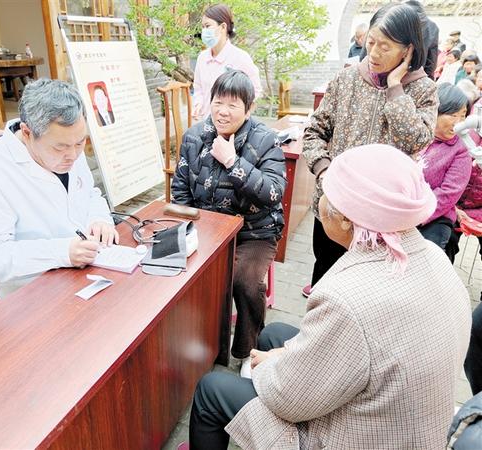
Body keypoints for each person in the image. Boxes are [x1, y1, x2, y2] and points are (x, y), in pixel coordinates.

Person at [187, 144, 471, 450]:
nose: (319, 202)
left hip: (359, 438)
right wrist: (282, 357)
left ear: (347, 218)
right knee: (275, 334)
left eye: (325, 193)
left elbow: (288, 400)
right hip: (400, 420)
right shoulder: (433, 255)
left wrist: (266, 366)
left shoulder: (346, 298)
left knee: (211, 390)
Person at [301, 3, 438, 297]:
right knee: (324, 279)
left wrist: (395, 89)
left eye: (385, 47)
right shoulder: (347, 79)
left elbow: (416, 141)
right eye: (371, 42)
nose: (373, 53)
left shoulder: (423, 90)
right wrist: (325, 172)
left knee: (366, 292)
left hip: (381, 222)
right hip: (334, 209)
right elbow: (313, 132)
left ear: (408, 50)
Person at [0, 79, 117, 299]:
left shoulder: (68, 145)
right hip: (33, 291)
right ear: (27, 133)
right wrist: (62, 252)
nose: (73, 155)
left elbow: (90, 193)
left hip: (89, 268)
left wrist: (99, 219)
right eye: (60, 147)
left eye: (80, 143)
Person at [172, 70, 286, 378]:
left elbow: (273, 192)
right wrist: (189, 228)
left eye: (233, 105)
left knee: (245, 281)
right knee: (187, 277)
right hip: (207, 229)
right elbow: (181, 188)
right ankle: (206, 348)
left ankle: (249, 351)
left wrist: (233, 162)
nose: (223, 111)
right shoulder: (195, 136)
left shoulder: (266, 140)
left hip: (254, 232)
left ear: (249, 109)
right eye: (218, 102)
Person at [418, 83, 471, 254]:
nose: (459, 122)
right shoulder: (415, 136)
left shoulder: (460, 150)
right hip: (399, 209)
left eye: (463, 116)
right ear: (435, 111)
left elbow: (448, 193)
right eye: (453, 115)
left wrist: (415, 215)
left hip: (434, 218)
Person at [191, 4, 262, 121]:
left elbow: (255, 90)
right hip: (207, 122)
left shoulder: (240, 57)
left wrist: (242, 114)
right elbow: (198, 88)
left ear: (223, 27)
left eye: (208, 26)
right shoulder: (202, 58)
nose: (204, 31)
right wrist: (198, 105)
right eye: (202, 27)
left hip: (232, 124)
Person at [402, 0, 439, 79]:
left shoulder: (399, 20)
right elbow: (432, 59)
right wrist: (427, 77)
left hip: (396, 73)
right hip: (419, 75)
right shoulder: (433, 26)